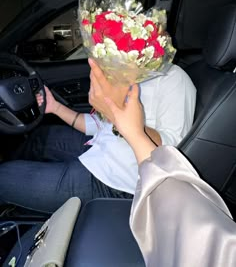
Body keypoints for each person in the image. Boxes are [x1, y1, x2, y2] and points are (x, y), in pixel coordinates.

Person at [0, 59, 196, 213]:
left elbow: (171, 152)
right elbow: (101, 126)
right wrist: (55, 107)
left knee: (4, 176)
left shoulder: (173, 77)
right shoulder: (126, 72)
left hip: (116, 182)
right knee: (42, 137)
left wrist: (117, 116)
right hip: (99, 150)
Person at [100, 83, 236, 267]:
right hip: (105, 158)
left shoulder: (174, 81)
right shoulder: (133, 81)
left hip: (120, 179)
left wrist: (131, 131)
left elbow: (207, 240)